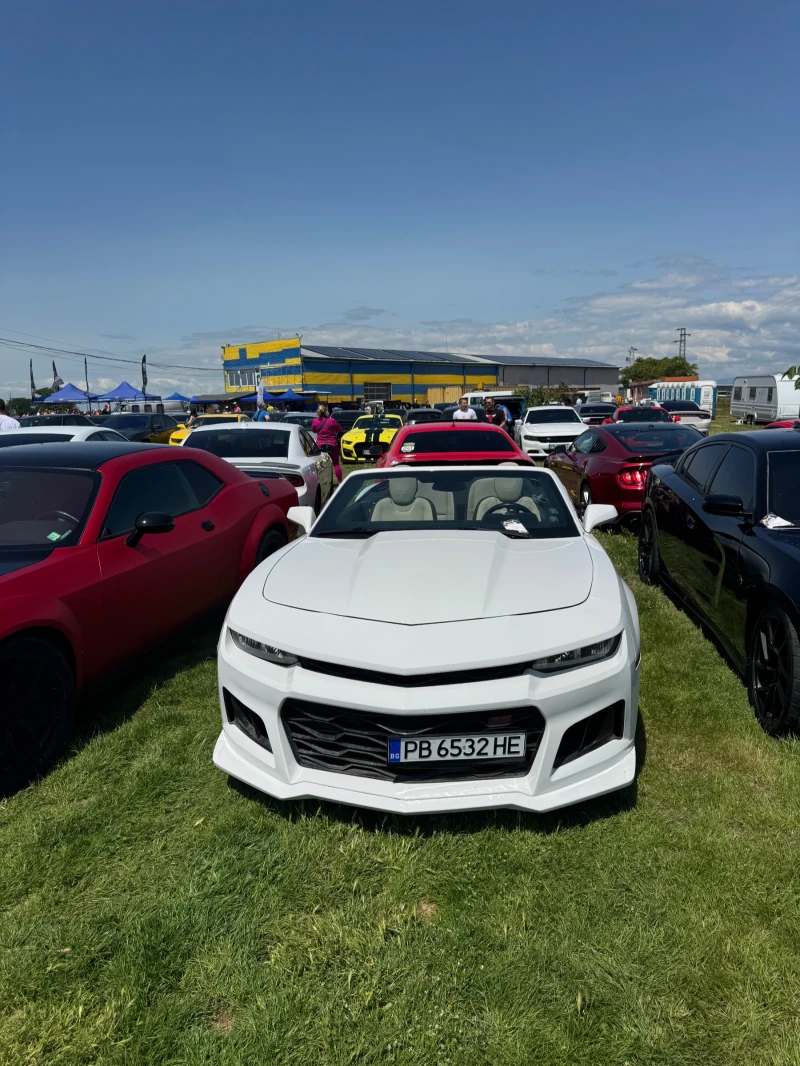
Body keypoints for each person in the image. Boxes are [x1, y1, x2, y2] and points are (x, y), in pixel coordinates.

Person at [311, 404, 343, 482]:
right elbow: (339, 429)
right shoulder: (331, 420)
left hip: (320, 445)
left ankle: (321, 481)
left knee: (320, 465)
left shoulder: (315, 421)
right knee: (336, 464)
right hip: (332, 445)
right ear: (326, 412)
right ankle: (340, 482)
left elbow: (313, 430)